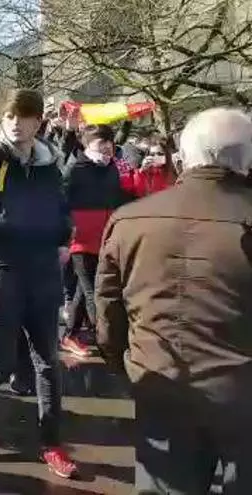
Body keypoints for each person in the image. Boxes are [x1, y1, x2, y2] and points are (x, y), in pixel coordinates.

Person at [95, 108, 252, 494]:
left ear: (183, 156)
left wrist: (128, 367)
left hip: (161, 383)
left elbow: (109, 314)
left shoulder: (129, 219)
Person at [0, 89, 77, 478]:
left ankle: (51, 442)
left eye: (25, 117)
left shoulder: (48, 163)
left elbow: (60, 210)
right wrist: (4, 221)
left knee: (47, 362)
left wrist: (62, 239)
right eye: (10, 116)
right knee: (2, 361)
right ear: (1, 119)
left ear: (39, 122)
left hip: (42, 271)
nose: (16, 124)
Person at [61, 124, 131, 358]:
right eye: (102, 143)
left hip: (106, 238)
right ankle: (106, 340)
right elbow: (60, 201)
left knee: (84, 290)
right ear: (87, 144)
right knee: (95, 292)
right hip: (80, 240)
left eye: (110, 143)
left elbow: (118, 198)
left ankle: (70, 335)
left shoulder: (112, 168)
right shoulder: (75, 167)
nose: (107, 147)